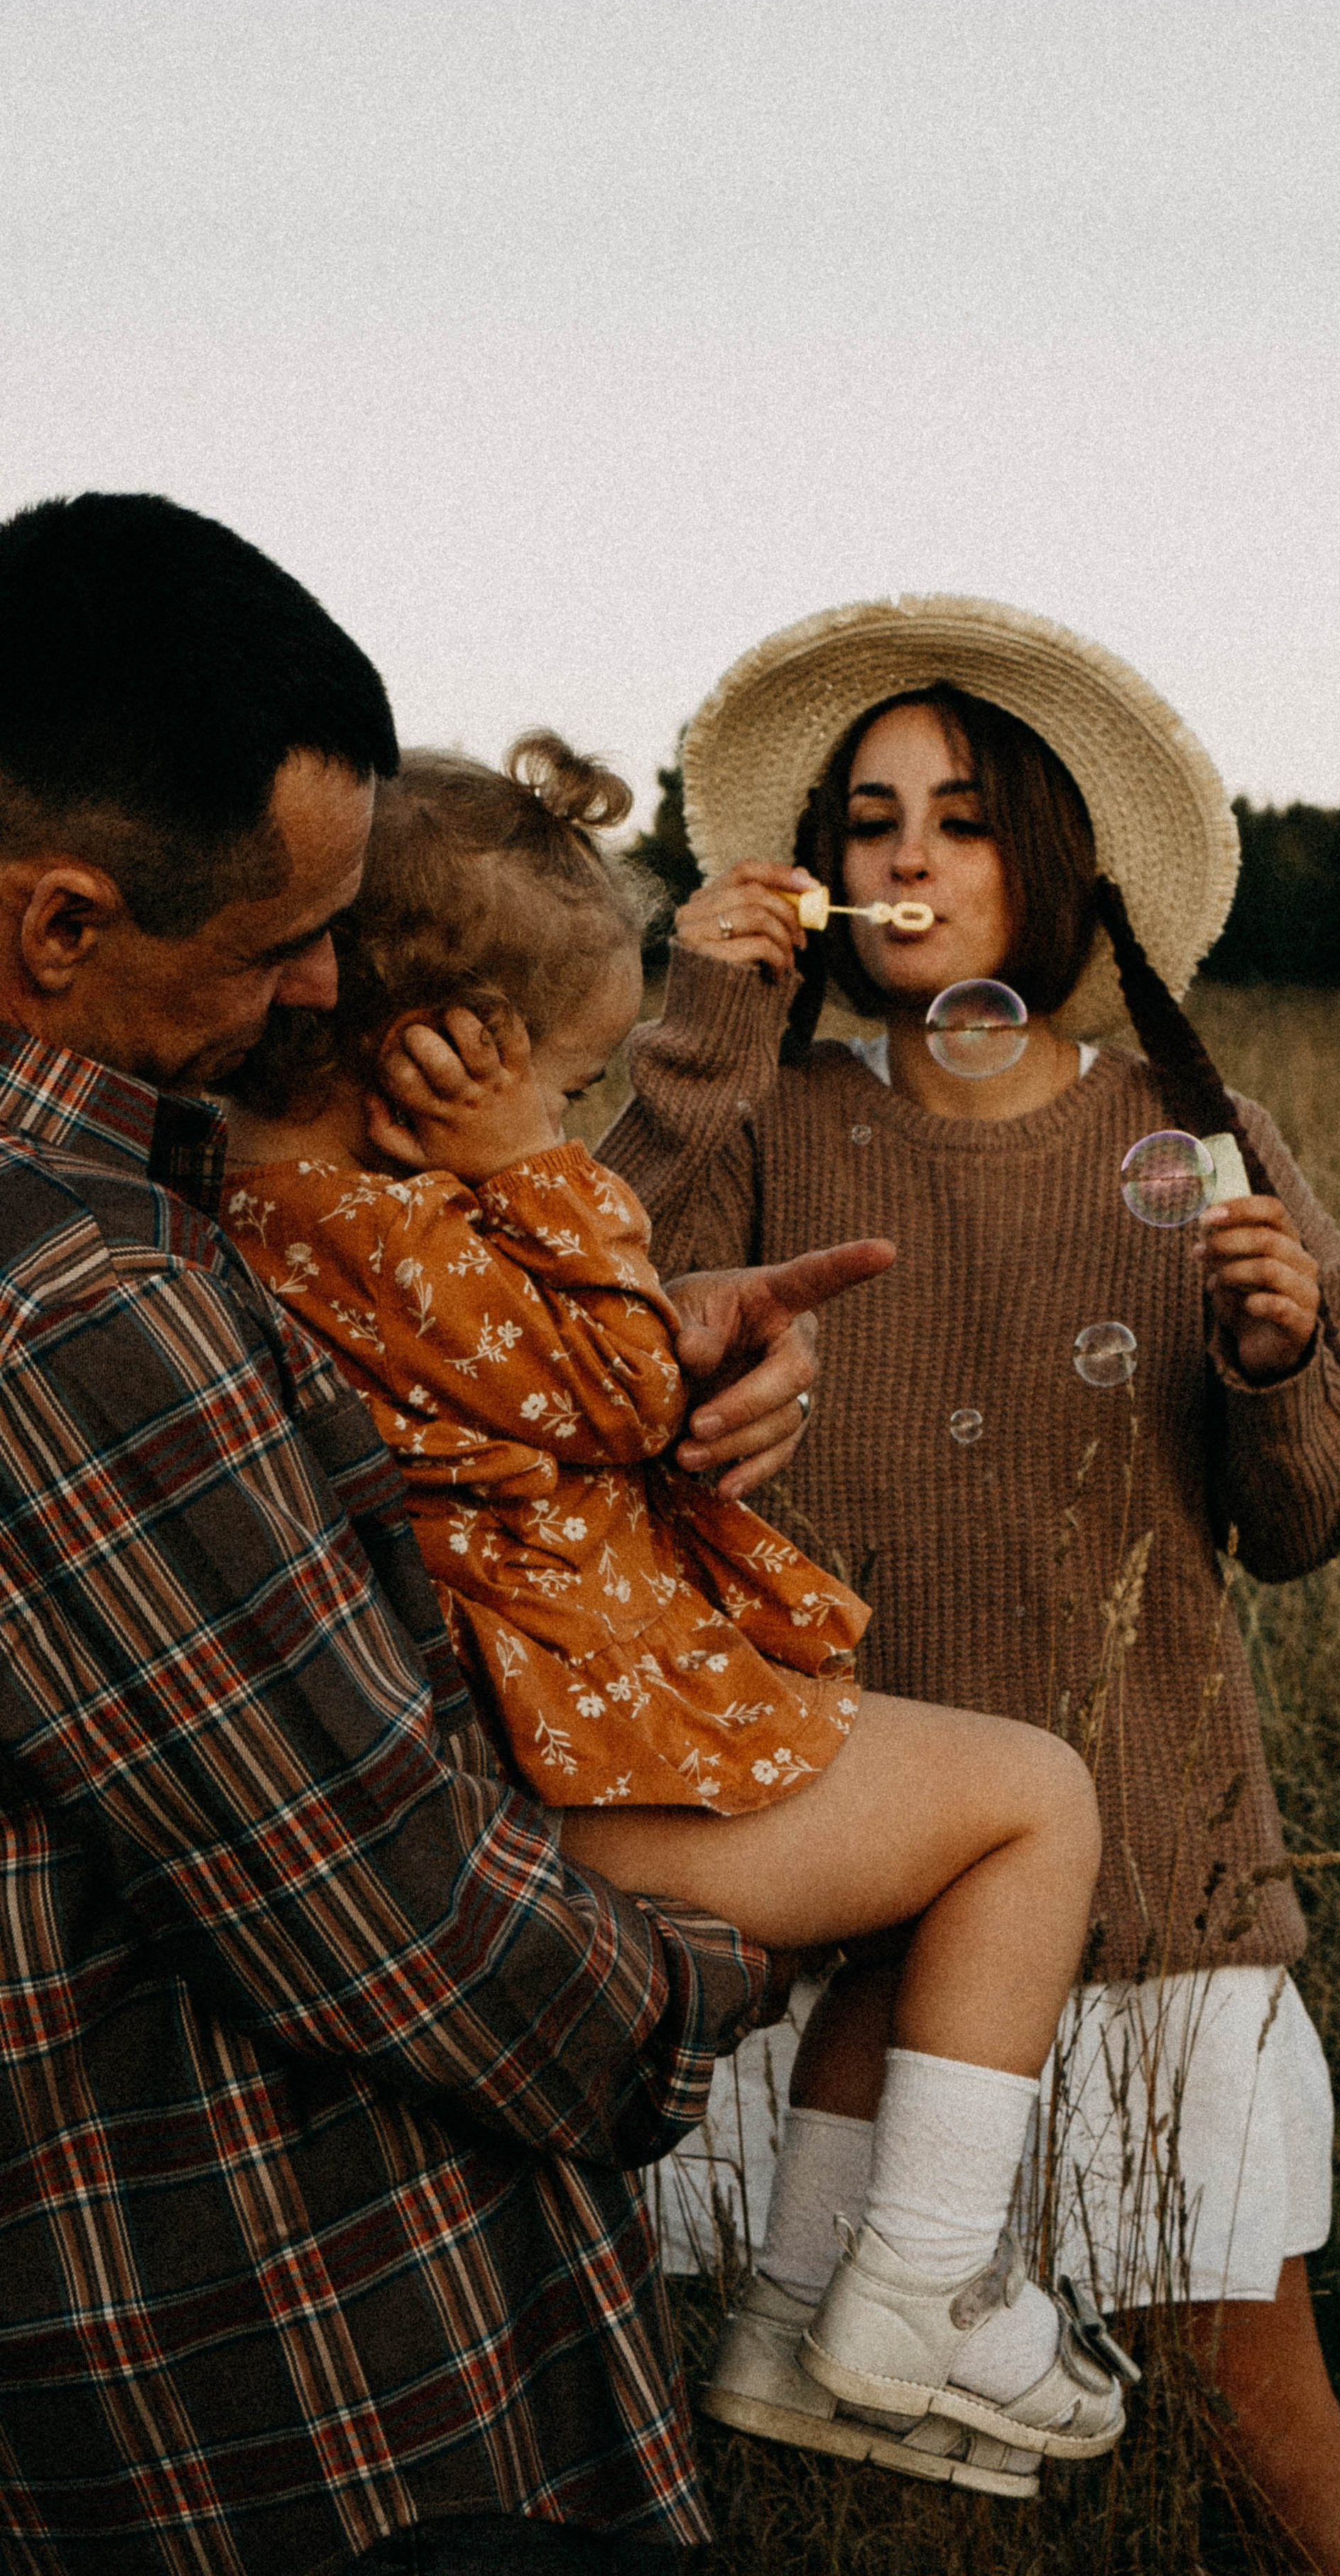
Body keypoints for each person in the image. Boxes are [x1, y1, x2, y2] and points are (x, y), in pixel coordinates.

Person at [0, 493, 866, 2576]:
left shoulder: (163, 1192)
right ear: (56, 928)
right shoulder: (80, 1305)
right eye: (280, 941)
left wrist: (633, 1359)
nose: (324, 988)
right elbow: (376, 1903)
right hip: (313, 2385)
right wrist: (741, 1959)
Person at [600, 596, 1340, 2576]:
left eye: (965, 817)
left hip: (1151, 1894)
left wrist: (1272, 1356)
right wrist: (704, 1028)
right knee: (794, 2456)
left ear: (1053, 861)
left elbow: (1313, 1516)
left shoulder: (1194, 1137)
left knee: (1273, 2431)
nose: (909, 853)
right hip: (827, 1918)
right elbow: (574, 1334)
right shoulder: (772, 1124)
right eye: (871, 815)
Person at [219, 736, 1133, 2506]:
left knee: (921, 1884)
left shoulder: (285, 1206)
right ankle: (928, 2289)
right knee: (1034, 1798)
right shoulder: (365, 1223)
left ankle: (809, 2312)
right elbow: (618, 1384)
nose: (563, 1133)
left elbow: (546, 1380)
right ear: (437, 1053)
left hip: (537, 1741)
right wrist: (538, 1173)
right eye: (558, 1092)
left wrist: (536, 1195)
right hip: (579, 1773)